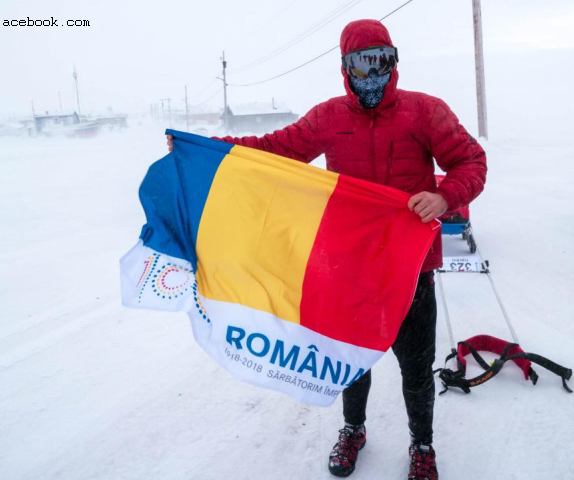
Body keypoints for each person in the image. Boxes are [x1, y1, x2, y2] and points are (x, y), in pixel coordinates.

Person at [167, 19, 486, 480]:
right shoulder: (329, 118)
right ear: (344, 68)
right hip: (351, 269)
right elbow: (273, 150)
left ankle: (422, 444)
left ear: (395, 62)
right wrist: (207, 149)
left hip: (410, 269)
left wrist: (444, 195)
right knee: (349, 359)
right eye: (361, 63)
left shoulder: (425, 112)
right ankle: (353, 429)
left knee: (416, 367)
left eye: (382, 60)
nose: (372, 73)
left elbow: (471, 161)